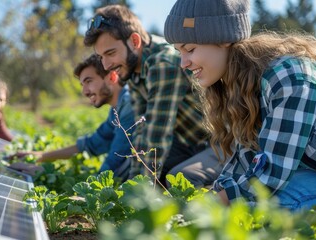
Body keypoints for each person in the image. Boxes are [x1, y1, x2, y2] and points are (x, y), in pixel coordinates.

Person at [164, 0, 316, 215]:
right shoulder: (245, 87)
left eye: (190, 49)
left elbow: (271, 174)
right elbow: (244, 163)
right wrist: (209, 197)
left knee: (277, 200)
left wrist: (206, 208)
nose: (183, 63)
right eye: (179, 52)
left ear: (222, 40)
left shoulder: (289, 77)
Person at [84, 4, 224, 188]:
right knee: (131, 165)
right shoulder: (132, 69)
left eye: (111, 53)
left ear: (135, 41)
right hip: (188, 145)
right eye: (101, 56)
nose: (106, 65)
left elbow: (157, 134)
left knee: (181, 178)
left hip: (219, 144)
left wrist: (138, 192)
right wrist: (133, 183)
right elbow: (141, 131)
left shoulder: (162, 63)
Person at [10, 54, 135, 181]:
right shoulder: (116, 109)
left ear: (112, 77)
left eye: (89, 81)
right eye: (82, 85)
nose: (85, 91)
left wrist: (47, 175)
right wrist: (40, 156)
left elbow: (116, 160)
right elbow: (91, 144)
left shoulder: (129, 103)